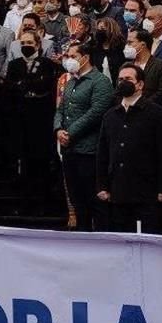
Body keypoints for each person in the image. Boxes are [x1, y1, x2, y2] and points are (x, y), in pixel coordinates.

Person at [97, 63, 162, 233]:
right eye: (120, 80)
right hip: (118, 192)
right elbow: (103, 153)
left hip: (147, 193)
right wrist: (102, 186)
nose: (123, 82)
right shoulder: (110, 116)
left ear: (140, 84)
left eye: (128, 79)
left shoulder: (158, 114)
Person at [55, 40, 114, 231]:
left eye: (73, 56)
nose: (69, 60)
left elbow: (96, 112)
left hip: (89, 150)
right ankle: (82, 235)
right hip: (69, 149)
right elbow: (61, 109)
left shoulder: (100, 82)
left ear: (85, 58)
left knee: (93, 198)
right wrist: (58, 129)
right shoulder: (71, 81)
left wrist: (70, 132)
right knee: (76, 198)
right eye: (67, 57)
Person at [4, 29, 58, 213]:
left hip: (41, 120)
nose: (26, 46)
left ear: (38, 45)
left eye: (30, 43)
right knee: (23, 163)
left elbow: (47, 87)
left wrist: (26, 84)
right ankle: (24, 203)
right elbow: (10, 88)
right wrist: (28, 84)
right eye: (23, 43)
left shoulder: (48, 64)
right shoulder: (14, 65)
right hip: (20, 120)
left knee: (41, 162)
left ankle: (43, 203)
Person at [123, 28, 162, 106]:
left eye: (130, 43)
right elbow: (119, 90)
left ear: (143, 45)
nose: (127, 46)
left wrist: (141, 105)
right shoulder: (125, 66)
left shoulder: (161, 66)